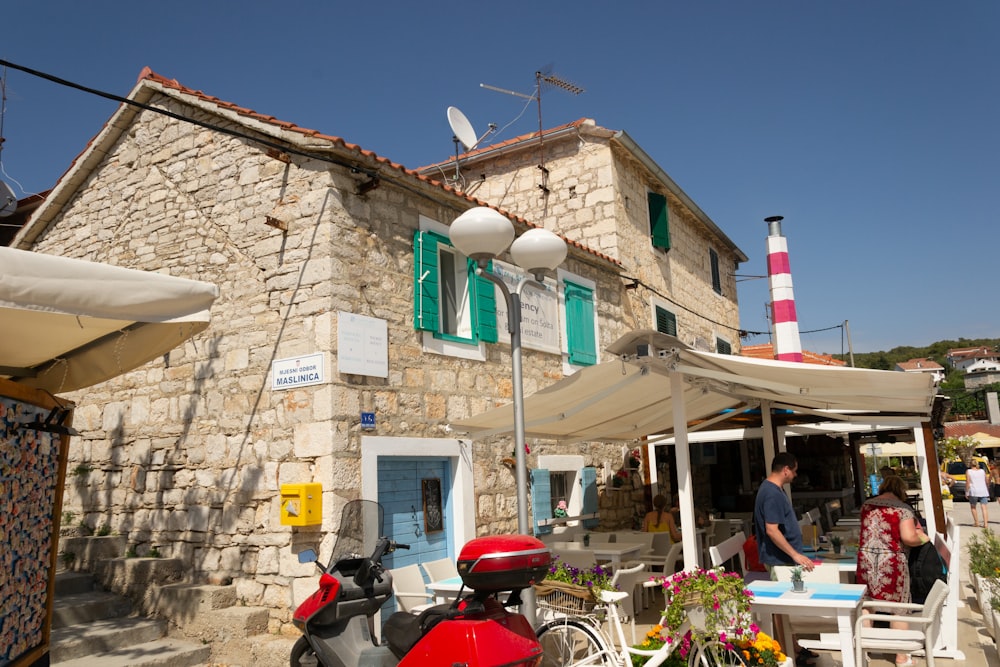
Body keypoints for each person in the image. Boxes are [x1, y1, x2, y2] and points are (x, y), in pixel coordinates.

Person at [856, 475, 929, 667]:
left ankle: (865, 650)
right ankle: (901, 657)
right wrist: (923, 538)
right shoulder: (902, 508)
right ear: (901, 490)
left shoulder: (867, 505)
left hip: (866, 559)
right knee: (899, 608)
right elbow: (908, 538)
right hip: (891, 560)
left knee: (867, 603)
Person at [754, 452, 816, 667]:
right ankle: (787, 653)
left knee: (785, 606)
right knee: (781, 607)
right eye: (795, 470)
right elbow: (772, 530)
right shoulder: (771, 493)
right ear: (786, 469)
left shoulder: (773, 490)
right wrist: (795, 554)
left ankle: (794, 647)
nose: (796, 475)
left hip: (780, 558)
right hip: (778, 559)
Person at [966, 459, 990, 527]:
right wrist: (987, 488)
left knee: (973, 506)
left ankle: (977, 522)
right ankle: (985, 523)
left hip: (973, 491)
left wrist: (967, 492)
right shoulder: (982, 471)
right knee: (984, 507)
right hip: (983, 490)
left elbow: (968, 482)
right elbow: (986, 480)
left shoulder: (969, 471)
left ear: (970, 464)